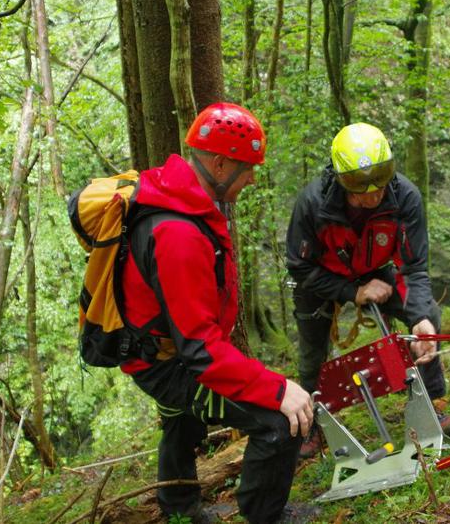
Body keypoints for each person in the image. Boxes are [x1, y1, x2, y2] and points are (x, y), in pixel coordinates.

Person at [118, 103, 314, 523]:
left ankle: (180, 510)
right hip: (167, 361)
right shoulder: (178, 232)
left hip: (157, 349)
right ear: (220, 164)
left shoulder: (179, 195)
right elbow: (200, 351)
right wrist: (276, 389)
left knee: (182, 420)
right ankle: (266, 517)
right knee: (278, 423)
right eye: (248, 169)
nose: (252, 178)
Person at [286, 122, 450, 458]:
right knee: (312, 354)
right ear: (340, 178)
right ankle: (313, 424)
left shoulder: (405, 197)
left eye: (380, 179)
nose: (373, 193)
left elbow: (413, 268)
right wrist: (353, 292)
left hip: (376, 270)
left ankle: (431, 403)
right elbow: (300, 266)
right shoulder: (312, 204)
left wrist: (420, 318)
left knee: (427, 319)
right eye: (359, 186)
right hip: (321, 277)